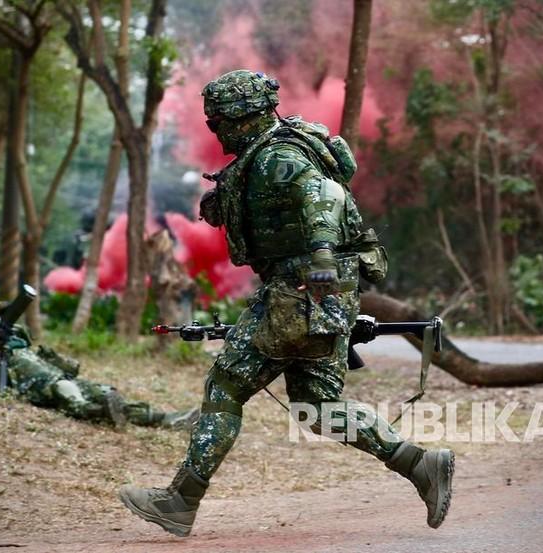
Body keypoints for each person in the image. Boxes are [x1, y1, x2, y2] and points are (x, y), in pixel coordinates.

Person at [118, 70, 454, 537]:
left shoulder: (280, 155)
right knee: (316, 406)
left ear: (243, 118)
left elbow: (326, 197)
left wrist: (319, 269)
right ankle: (421, 464)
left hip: (303, 286)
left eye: (219, 121)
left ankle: (180, 501)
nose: (216, 130)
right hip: (312, 288)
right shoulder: (267, 152)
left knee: (228, 384)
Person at [0, 304, 198, 429]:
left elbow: (21, 337)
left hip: (14, 359)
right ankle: (92, 409)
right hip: (5, 364)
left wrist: (3, 327)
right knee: (55, 383)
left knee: (79, 385)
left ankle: (163, 418)